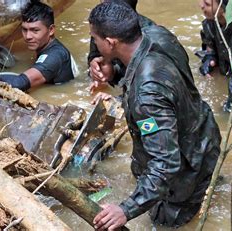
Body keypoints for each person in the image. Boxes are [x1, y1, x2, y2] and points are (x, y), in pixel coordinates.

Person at [88, 2, 222, 229]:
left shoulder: (147, 94)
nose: (95, 44)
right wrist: (114, 68)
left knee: (163, 223)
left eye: (95, 39)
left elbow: (166, 163)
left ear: (110, 43)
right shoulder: (159, 34)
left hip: (187, 167)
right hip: (204, 134)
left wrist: (125, 209)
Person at [0, 0, 77, 91]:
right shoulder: (47, 47)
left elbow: (20, 83)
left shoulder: (54, 56)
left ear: (51, 30)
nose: (28, 37)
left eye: (35, 30)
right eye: (25, 30)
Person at [88, 0, 155, 92]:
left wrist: (118, 100)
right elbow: (94, 56)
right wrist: (97, 70)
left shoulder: (150, 35)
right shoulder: (101, 27)